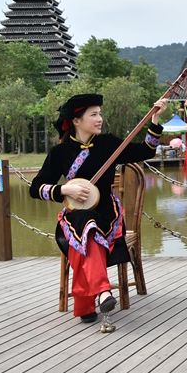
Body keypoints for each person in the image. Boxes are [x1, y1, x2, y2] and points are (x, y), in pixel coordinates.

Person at [29, 93, 166, 322]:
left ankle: (88, 300)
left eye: (100, 114)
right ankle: (102, 292)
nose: (100, 118)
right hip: (74, 215)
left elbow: (146, 151)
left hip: (107, 214)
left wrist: (154, 121)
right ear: (76, 121)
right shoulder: (60, 153)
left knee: (87, 229)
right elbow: (35, 189)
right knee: (83, 225)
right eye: (93, 114)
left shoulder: (108, 144)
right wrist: (64, 190)